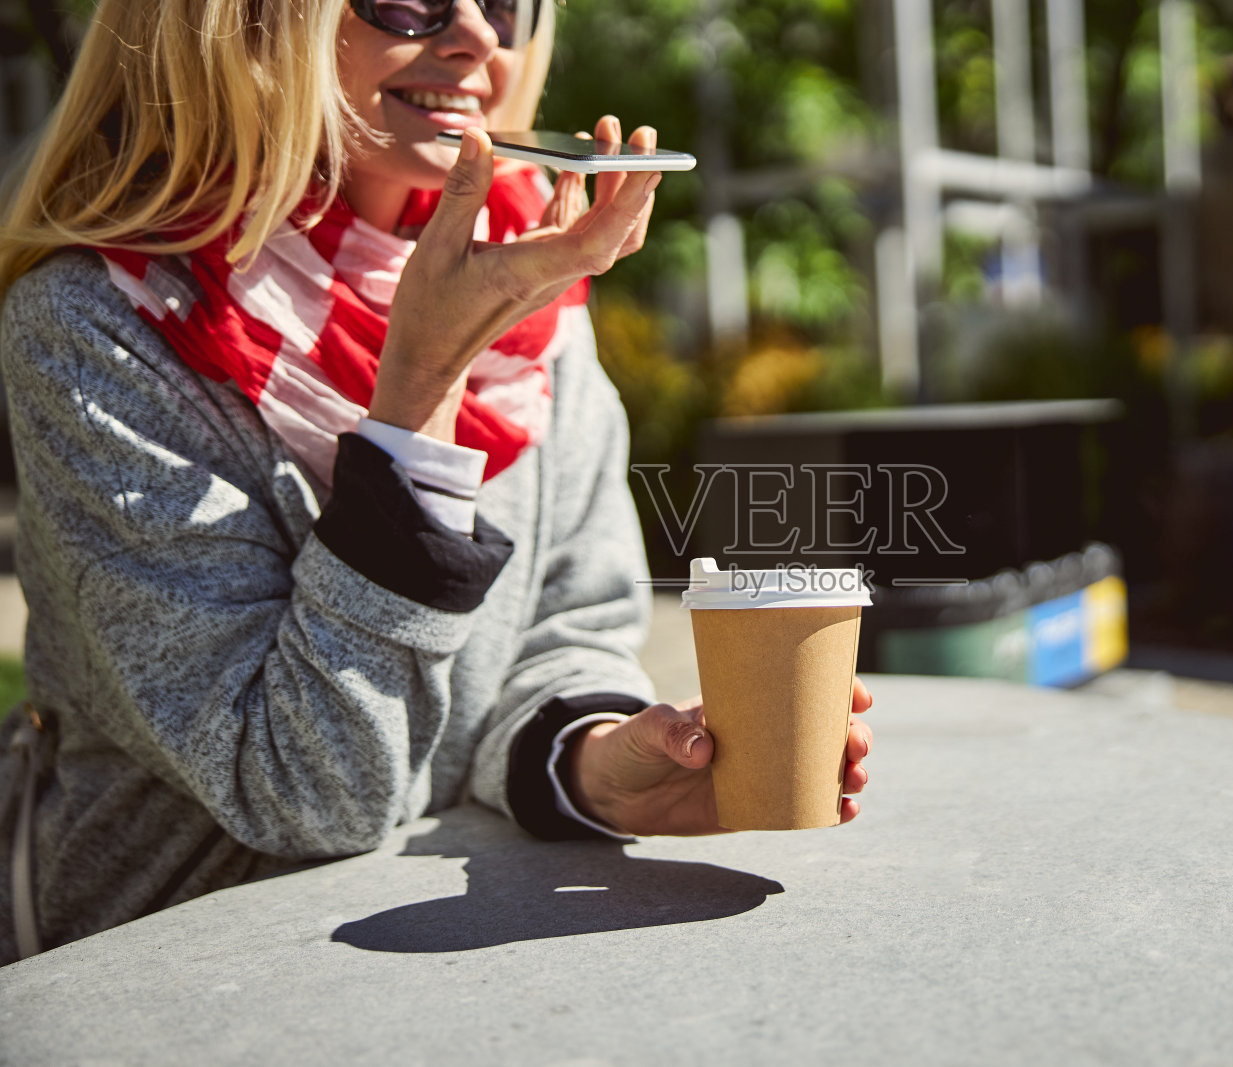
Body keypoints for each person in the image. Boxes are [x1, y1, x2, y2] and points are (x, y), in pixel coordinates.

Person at [0, 0, 873, 964]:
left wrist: (595, 763)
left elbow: (566, 629)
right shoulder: (95, 322)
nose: (477, 39)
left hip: (460, 958)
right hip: (171, 975)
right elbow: (305, 790)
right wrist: (420, 386)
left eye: (504, 3)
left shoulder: (531, 288)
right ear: (243, 21)